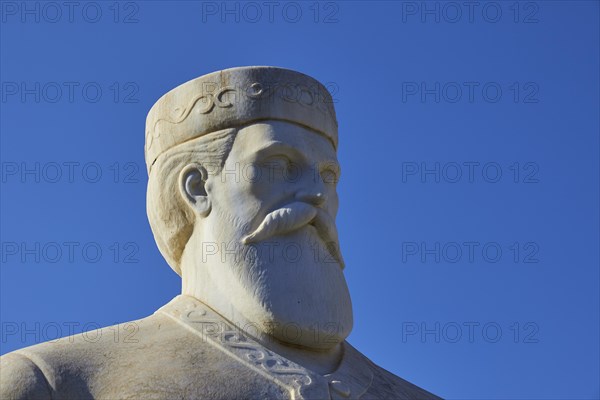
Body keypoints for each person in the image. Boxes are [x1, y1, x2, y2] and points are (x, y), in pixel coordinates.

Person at [0, 66, 440, 399]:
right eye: (279, 166)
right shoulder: (53, 383)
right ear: (196, 187)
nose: (317, 195)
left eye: (327, 176)